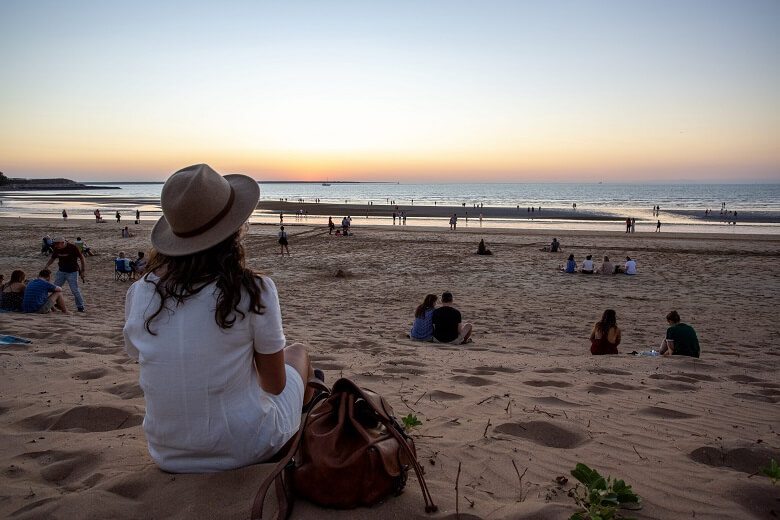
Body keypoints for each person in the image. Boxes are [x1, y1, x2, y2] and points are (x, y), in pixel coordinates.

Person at [123, 163, 315, 473]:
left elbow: (148, 355)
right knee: (299, 353)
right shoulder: (253, 289)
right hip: (246, 447)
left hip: (166, 452)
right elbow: (275, 385)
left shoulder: (141, 293)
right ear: (234, 231)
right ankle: (302, 432)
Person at [44, 236, 86, 312]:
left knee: (74, 290)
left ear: (63, 243)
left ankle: (80, 306)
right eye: (55, 244)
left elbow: (82, 258)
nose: (56, 245)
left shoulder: (72, 247)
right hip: (61, 271)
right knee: (55, 288)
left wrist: (82, 271)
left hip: (72, 271)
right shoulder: (56, 248)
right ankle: (57, 304)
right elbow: (53, 258)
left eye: (57, 244)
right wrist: (46, 266)